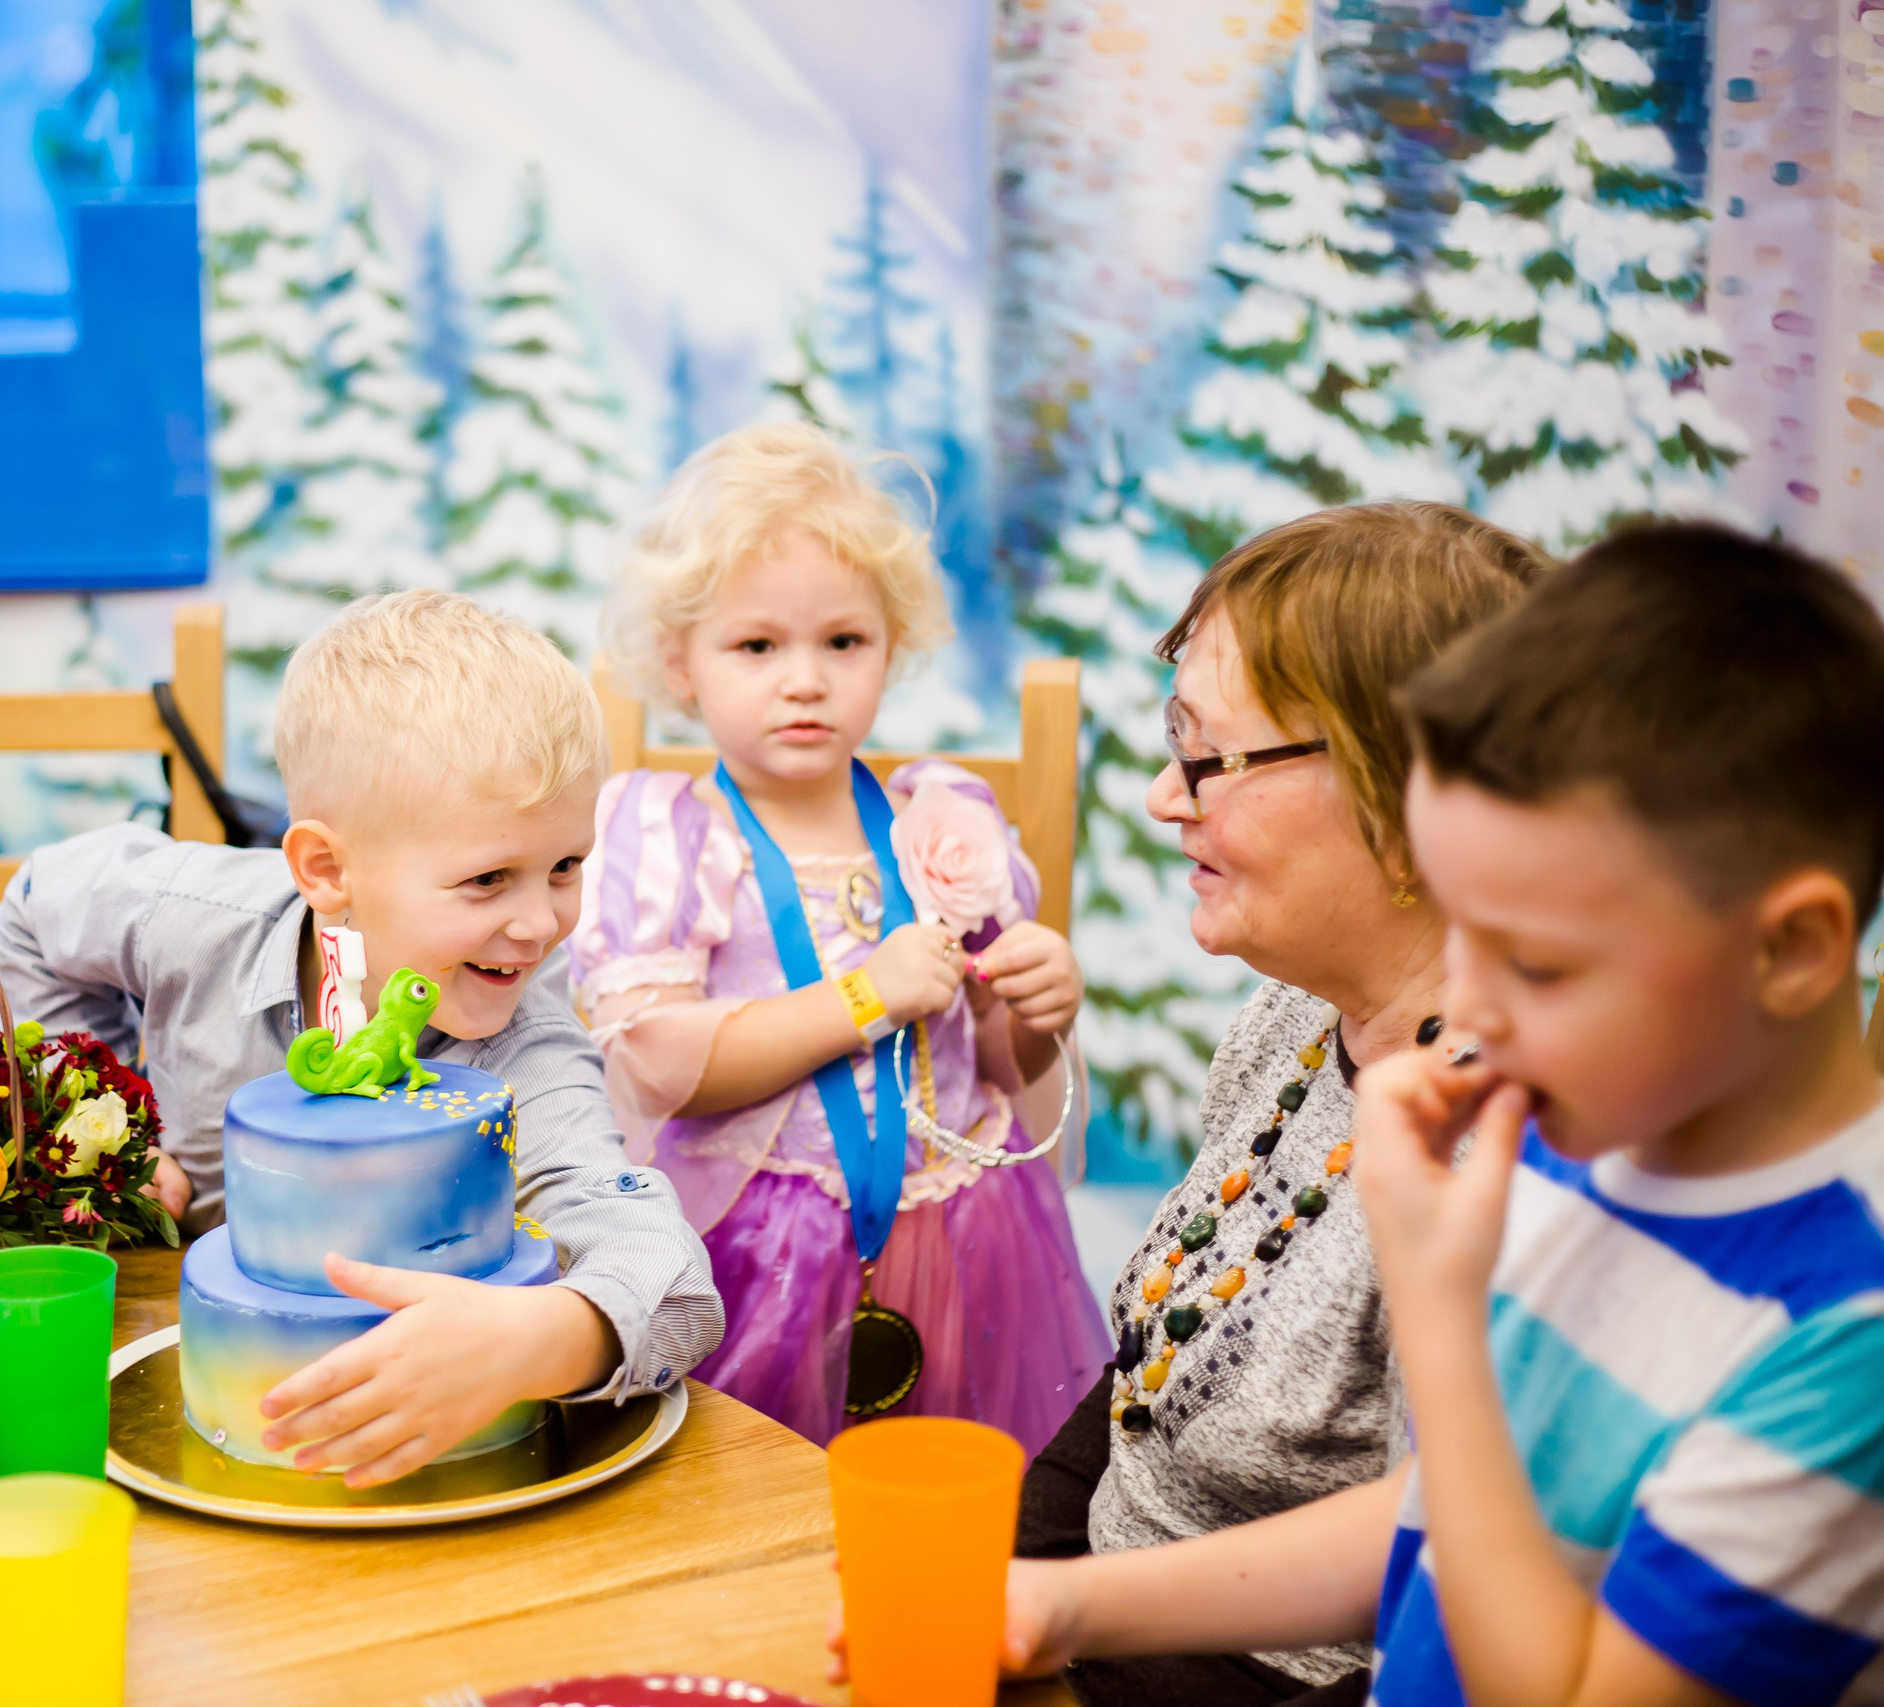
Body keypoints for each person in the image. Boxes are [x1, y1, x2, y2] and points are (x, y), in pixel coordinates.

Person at [974, 524, 1884, 1707]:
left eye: (1535, 963)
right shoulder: (1607, 1147)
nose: (1473, 1018)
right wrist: (1067, 1604)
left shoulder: (1846, 1337)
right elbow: (1436, 1524)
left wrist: (1441, 1308)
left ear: (1792, 951)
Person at [0, 589, 723, 1489]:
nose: (540, 923)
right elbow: (31, 911)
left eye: (565, 865)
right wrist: (100, 1114)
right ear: (327, 869)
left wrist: (545, 1338)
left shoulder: (524, 1050)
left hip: (426, 1459)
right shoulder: (194, 919)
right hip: (167, 1372)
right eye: (489, 878)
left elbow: (674, 1281)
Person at [1009, 503, 1547, 1705]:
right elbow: (1149, 1387)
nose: (1166, 796)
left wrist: (1052, 1611)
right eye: (1174, 742)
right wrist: (1014, 1566)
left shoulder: (1503, 1155)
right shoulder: (1295, 1019)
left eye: (1210, 758)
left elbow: (1446, 1578)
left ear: (1408, 806)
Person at [568, 422, 1108, 1452]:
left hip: (971, 1237)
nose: (805, 679)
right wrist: (869, 995)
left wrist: (1038, 1010)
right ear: (681, 663)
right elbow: (663, 1066)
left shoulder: (941, 823)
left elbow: (994, 1066)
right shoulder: (674, 837)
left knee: (961, 1488)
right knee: (753, 1496)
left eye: (843, 642)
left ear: (889, 647)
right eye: (757, 645)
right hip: (762, 1250)